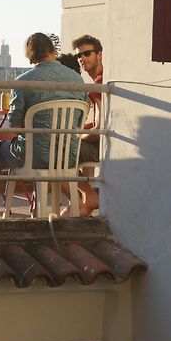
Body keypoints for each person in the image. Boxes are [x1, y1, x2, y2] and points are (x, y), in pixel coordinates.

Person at [0, 33, 87, 218]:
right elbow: (78, 121)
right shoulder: (78, 81)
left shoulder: (23, 81)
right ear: (53, 51)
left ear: (31, 57)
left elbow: (15, 125)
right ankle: (40, 210)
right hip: (68, 155)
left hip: (34, 157)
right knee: (40, 149)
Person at [68, 34, 104, 215]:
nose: (82, 58)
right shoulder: (100, 81)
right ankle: (82, 201)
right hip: (106, 145)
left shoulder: (99, 84)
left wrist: (76, 136)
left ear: (100, 55)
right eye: (78, 56)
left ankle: (88, 197)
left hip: (104, 148)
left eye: (87, 53)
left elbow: (99, 131)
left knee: (57, 154)